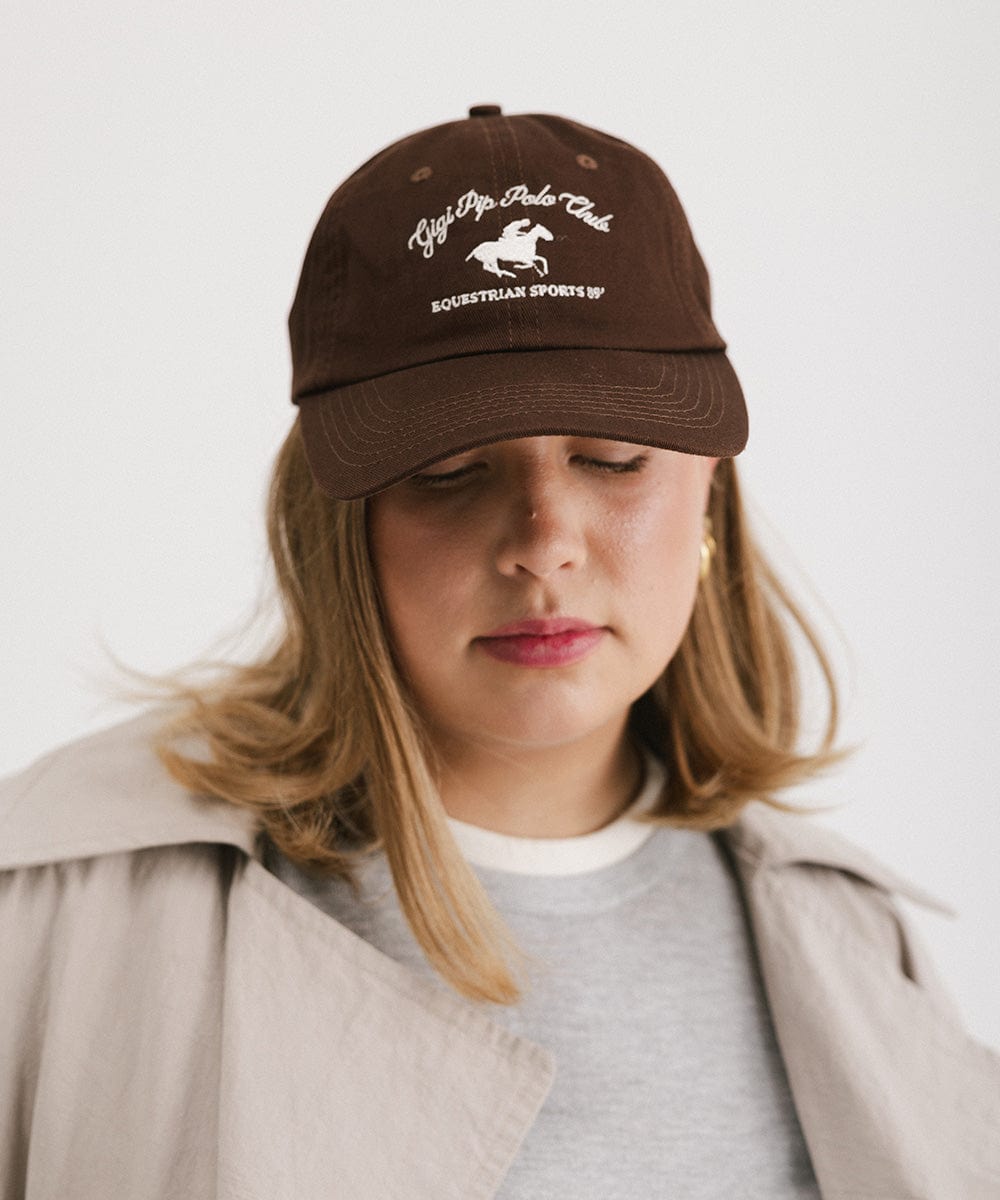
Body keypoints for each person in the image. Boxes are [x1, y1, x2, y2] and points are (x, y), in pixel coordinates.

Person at [1, 104, 997, 1200]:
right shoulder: (64, 908)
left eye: (612, 458)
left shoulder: (855, 947)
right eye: (448, 471)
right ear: (340, 525)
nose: (543, 545)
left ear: (708, 495)